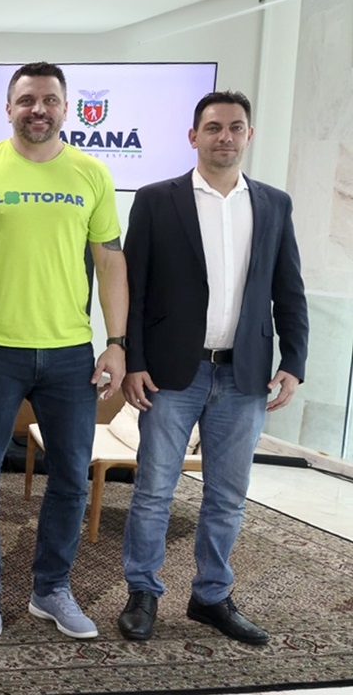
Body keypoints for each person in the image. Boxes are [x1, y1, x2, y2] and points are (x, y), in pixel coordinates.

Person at [116, 91, 308, 645]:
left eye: (236, 127)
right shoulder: (157, 199)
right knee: (154, 491)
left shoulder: (274, 204)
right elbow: (136, 286)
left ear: (249, 135)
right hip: (172, 374)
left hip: (244, 376)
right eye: (214, 127)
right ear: (193, 135)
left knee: (227, 495)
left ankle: (211, 596)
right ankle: (143, 592)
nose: (225, 136)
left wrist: (294, 361)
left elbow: (288, 288)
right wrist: (133, 360)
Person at [0, 61, 127, 640]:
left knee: (72, 478)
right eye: (27, 99)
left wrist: (116, 343)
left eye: (50, 99)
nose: (38, 109)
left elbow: (110, 263)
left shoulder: (91, 174)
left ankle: (51, 589)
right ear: (8, 108)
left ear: (65, 108)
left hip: (70, 353)